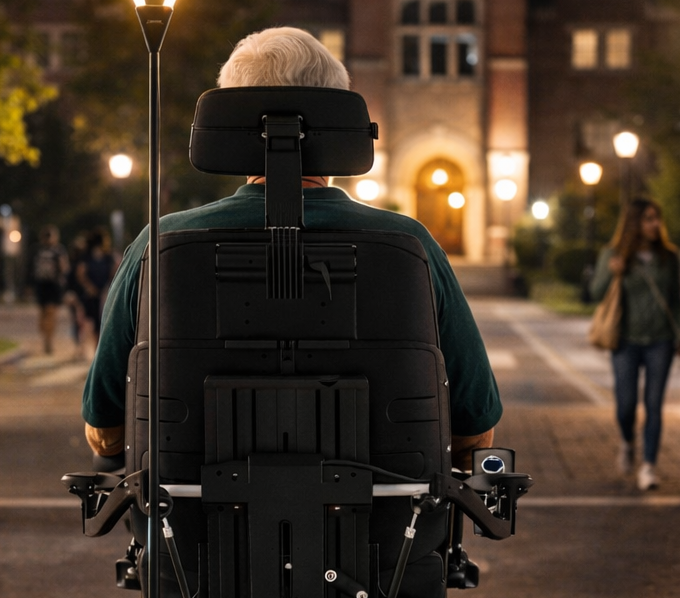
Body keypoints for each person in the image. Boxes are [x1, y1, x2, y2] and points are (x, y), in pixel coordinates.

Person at [83, 25, 501, 472]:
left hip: (187, 532)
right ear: (341, 122)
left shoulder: (158, 245)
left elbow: (106, 435)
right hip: (389, 532)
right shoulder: (410, 246)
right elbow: (474, 429)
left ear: (229, 125)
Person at [590, 197, 680, 492]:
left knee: (654, 404)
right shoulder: (613, 254)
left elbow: (677, 300)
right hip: (626, 341)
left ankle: (649, 466)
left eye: (657, 218)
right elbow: (595, 292)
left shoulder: (669, 257)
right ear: (634, 223)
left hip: (661, 341)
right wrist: (612, 271)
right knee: (626, 404)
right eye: (648, 219)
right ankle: (628, 441)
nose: (655, 224)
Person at [30, 225, 69, 355]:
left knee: (45, 314)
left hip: (42, 286)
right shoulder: (58, 250)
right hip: (52, 286)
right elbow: (64, 268)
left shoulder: (37, 250)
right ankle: (48, 339)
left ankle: (47, 339)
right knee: (50, 314)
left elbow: (30, 269)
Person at [76, 229, 115, 356]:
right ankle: (84, 348)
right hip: (90, 294)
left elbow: (113, 272)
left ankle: (96, 350)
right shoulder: (87, 256)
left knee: (100, 323)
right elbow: (80, 273)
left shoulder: (108, 256)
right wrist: (89, 287)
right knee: (88, 322)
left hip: (103, 294)